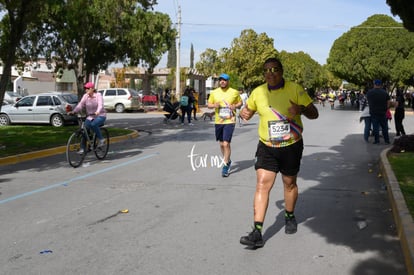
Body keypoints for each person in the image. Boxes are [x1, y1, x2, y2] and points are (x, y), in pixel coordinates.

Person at [239, 57, 318, 248]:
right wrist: (245, 113)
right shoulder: (258, 92)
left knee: (289, 183)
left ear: (281, 71)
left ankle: (289, 215)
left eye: (274, 69)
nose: (270, 73)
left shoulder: (295, 89)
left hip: (291, 145)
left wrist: (299, 109)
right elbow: (247, 111)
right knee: (262, 184)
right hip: (267, 146)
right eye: (266, 70)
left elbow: (314, 114)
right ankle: (257, 232)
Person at [207, 73, 242, 177]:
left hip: (230, 121)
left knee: (226, 143)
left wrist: (235, 106)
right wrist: (214, 105)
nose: (222, 81)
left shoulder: (234, 92)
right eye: (221, 80)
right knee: (222, 144)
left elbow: (240, 103)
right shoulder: (214, 92)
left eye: (224, 80)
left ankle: (225, 165)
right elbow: (209, 105)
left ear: (228, 81)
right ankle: (228, 160)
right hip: (219, 121)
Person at [70, 82, 107, 153]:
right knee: (85, 131)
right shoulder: (85, 96)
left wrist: (98, 111)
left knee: (94, 124)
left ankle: (101, 139)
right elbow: (80, 105)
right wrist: (74, 111)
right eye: (85, 88)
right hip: (90, 116)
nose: (86, 90)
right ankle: (82, 148)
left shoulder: (98, 95)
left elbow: (100, 105)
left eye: (87, 88)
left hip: (100, 115)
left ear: (92, 89)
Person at [366, 79, 391, 144]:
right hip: (383, 112)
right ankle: (387, 141)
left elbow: (368, 101)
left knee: (375, 127)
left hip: (374, 112)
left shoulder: (370, 92)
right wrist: (386, 108)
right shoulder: (385, 92)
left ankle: (377, 141)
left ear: (374, 84)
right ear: (381, 85)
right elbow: (388, 102)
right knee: (384, 127)